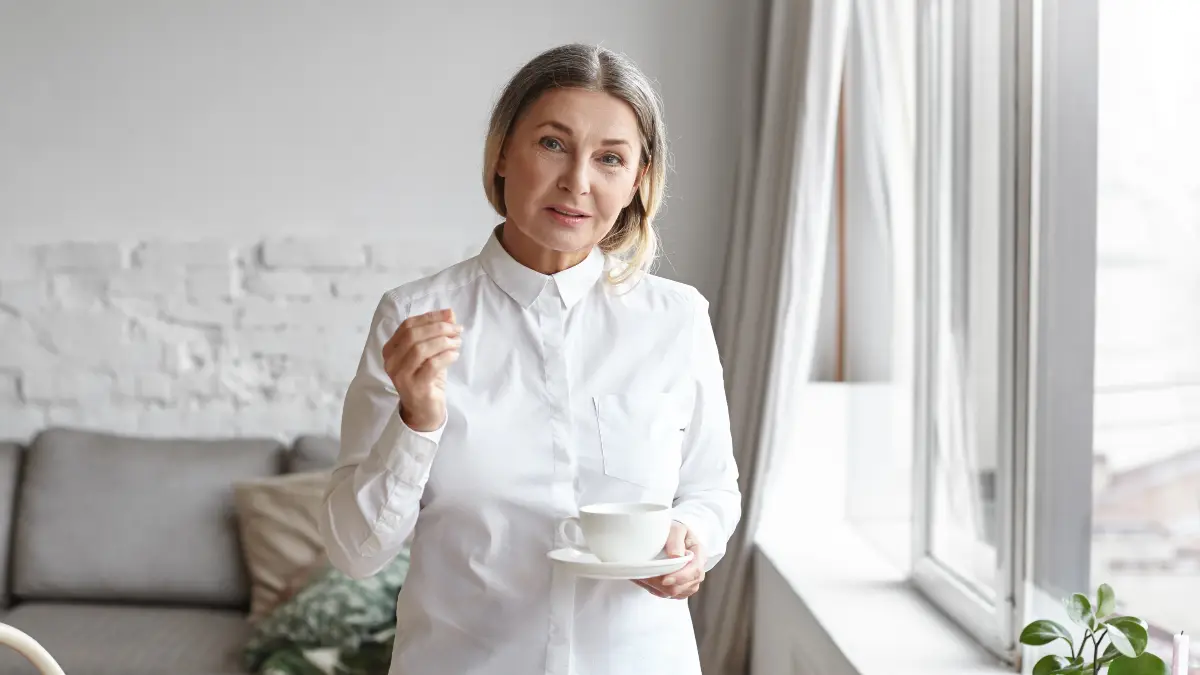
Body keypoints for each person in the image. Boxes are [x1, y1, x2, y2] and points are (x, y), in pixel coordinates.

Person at [320, 43, 741, 675]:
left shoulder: (676, 320)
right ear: (500, 155)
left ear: (636, 181)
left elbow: (711, 489)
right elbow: (355, 552)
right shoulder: (414, 318)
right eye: (551, 144)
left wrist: (693, 542)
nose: (577, 180)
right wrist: (417, 420)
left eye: (609, 158)